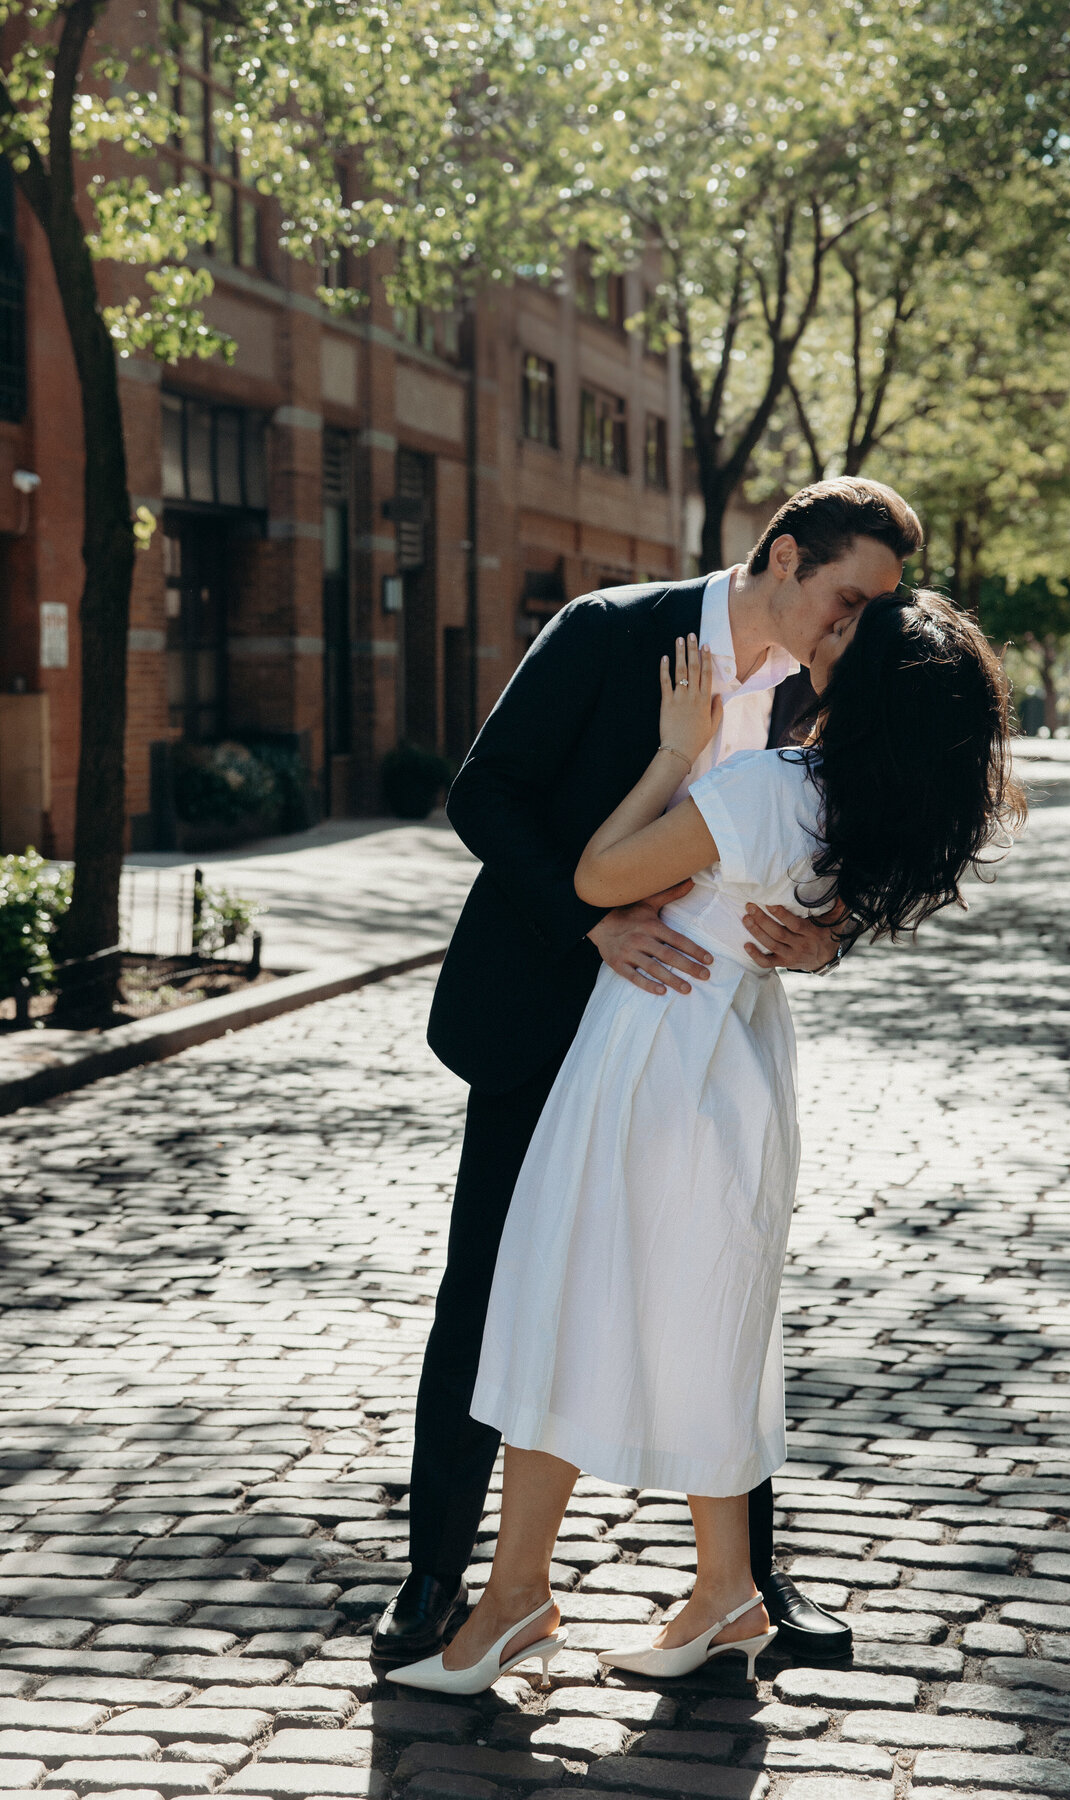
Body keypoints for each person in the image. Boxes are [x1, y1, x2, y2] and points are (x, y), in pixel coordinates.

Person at [387, 588, 1024, 1695]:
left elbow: (599, 875)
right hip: (735, 1064)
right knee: (712, 1318)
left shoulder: (769, 787)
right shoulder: (866, 804)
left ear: (865, 685)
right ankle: (723, 1589)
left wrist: (674, 754)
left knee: (556, 1303)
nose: (823, 637)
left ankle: (514, 1601)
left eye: (842, 639)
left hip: (650, 1061)